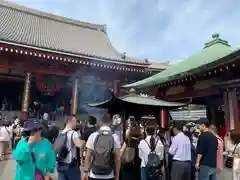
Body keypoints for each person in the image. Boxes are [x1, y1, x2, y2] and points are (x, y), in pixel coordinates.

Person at [83, 113, 121, 180]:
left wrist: (85, 171)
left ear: (100, 122)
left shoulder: (93, 135)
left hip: (93, 174)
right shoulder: (115, 137)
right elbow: (117, 158)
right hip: (109, 174)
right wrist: (117, 174)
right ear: (110, 122)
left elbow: (88, 156)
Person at [56, 116, 84, 180]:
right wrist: (84, 142)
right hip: (70, 165)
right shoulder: (73, 133)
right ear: (70, 121)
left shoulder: (61, 132)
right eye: (75, 122)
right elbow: (79, 144)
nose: (76, 124)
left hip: (60, 163)